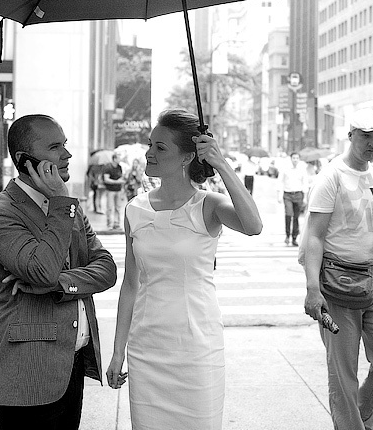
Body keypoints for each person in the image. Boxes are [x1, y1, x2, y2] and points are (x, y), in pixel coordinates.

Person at [105, 109, 263, 429]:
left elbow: (253, 225)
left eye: (160, 147)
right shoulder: (134, 210)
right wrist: (118, 351)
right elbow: (131, 285)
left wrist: (221, 164)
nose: (149, 153)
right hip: (146, 347)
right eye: (150, 144)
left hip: (196, 349)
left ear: (187, 157)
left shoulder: (210, 205)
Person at [0, 114, 117, 430]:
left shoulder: (69, 208)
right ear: (25, 161)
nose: (67, 155)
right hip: (30, 376)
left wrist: (59, 285)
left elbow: (106, 268)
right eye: (55, 147)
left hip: (71, 365)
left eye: (65, 145)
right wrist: (60, 204)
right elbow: (41, 269)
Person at [301, 108, 373, 430]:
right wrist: (311, 289)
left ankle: (358, 420)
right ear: (350, 135)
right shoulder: (331, 176)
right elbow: (315, 237)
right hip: (336, 284)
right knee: (343, 374)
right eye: (366, 136)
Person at [278, 152, 311, 246]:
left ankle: (294, 237)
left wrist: (305, 197)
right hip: (287, 194)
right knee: (288, 214)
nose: (295, 160)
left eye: (297, 158)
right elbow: (280, 181)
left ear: (299, 159)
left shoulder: (302, 170)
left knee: (296, 217)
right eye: (293, 158)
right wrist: (279, 195)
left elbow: (305, 183)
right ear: (291, 159)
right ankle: (287, 235)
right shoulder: (285, 169)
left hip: (298, 195)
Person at [102, 152, 125, 229]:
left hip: (118, 190)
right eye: (118, 158)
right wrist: (116, 182)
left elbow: (121, 177)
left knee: (118, 208)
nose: (120, 159)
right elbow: (106, 179)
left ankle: (117, 224)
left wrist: (121, 182)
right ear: (114, 159)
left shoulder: (119, 167)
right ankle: (109, 224)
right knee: (110, 208)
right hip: (110, 190)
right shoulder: (108, 167)